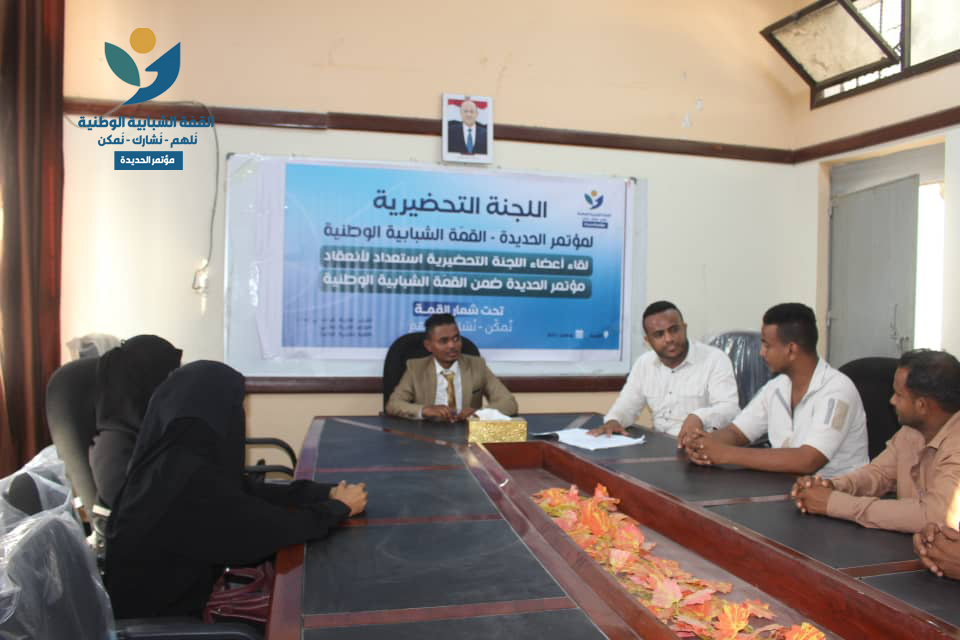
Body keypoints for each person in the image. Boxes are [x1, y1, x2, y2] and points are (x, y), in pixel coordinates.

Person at [105, 360, 367, 618]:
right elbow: (271, 529)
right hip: (168, 626)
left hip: (176, 605)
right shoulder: (186, 487)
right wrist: (338, 508)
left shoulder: (173, 463)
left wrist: (323, 493)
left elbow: (247, 492)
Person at [684, 303, 868, 477]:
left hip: (837, 491)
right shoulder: (777, 387)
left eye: (767, 345)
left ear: (791, 350)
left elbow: (808, 460)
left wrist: (725, 454)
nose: (761, 353)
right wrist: (702, 443)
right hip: (786, 487)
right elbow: (737, 432)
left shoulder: (837, 391)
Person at [792, 349, 960, 533]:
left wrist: (833, 503)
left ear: (922, 405)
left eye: (899, 395)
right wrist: (832, 486)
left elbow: (933, 516)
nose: (892, 400)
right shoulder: (912, 431)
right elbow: (878, 474)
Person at [588, 301, 739, 439]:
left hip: (700, 445)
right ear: (648, 340)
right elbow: (627, 405)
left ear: (685, 328)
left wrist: (700, 417)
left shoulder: (714, 359)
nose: (669, 339)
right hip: (659, 444)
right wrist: (614, 420)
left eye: (674, 330)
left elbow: (730, 409)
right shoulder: (644, 364)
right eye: (659, 334)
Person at [90, 334, 182, 514]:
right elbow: (137, 510)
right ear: (148, 379)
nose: (175, 386)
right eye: (169, 375)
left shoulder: (152, 429)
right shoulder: (114, 447)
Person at [386, 313, 517, 421]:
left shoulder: (477, 365)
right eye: (444, 341)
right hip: (427, 434)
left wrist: (479, 412)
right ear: (428, 346)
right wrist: (424, 410)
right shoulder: (416, 368)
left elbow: (509, 403)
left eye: (456, 339)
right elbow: (393, 404)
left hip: (466, 435)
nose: (452, 346)